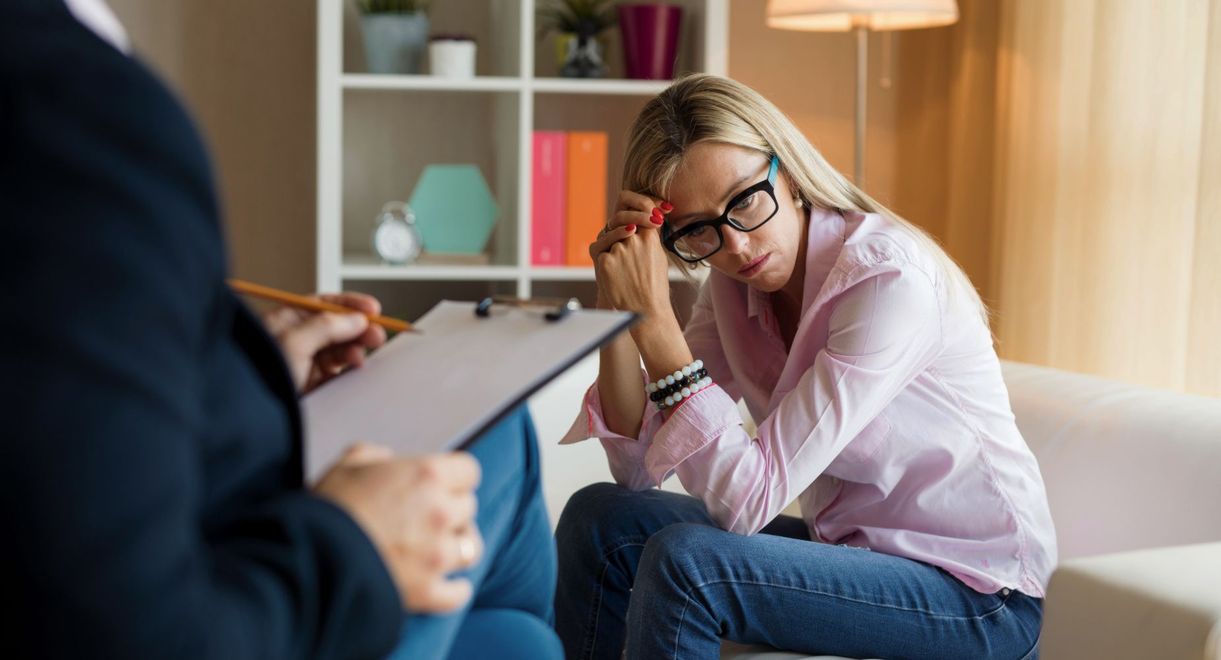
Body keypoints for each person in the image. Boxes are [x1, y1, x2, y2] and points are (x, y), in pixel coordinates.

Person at [0, 1, 560, 658]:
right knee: (493, 434)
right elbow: (127, 629)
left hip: (223, 541)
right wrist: (355, 545)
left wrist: (251, 369)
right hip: (254, 598)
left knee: (509, 638)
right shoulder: (70, 111)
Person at [554, 74, 1056, 660]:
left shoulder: (886, 280)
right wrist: (621, 308)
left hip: (979, 599)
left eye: (744, 201)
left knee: (689, 565)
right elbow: (638, 472)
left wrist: (657, 322)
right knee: (601, 520)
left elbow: (745, 503)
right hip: (854, 558)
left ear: (787, 170)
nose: (735, 246)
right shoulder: (731, 290)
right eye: (698, 231)